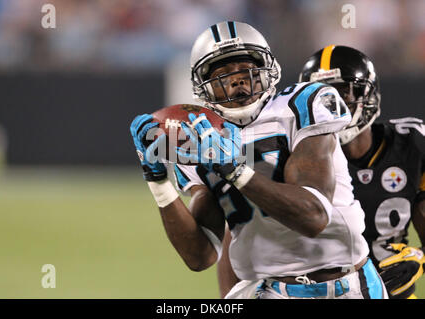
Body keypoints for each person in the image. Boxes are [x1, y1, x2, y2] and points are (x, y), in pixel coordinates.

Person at [130, 22, 387, 299]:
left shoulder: (302, 106)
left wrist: (235, 169)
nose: (237, 79)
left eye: (245, 69)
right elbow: (200, 256)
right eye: (222, 73)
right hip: (269, 289)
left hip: (344, 285)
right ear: (201, 86)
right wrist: (157, 181)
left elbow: (313, 217)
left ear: (268, 69)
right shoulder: (199, 137)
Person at [298, 45, 425, 299]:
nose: (334, 103)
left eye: (344, 91)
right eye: (324, 95)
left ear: (369, 94)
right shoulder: (296, 156)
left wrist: (419, 258)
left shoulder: (412, 143)